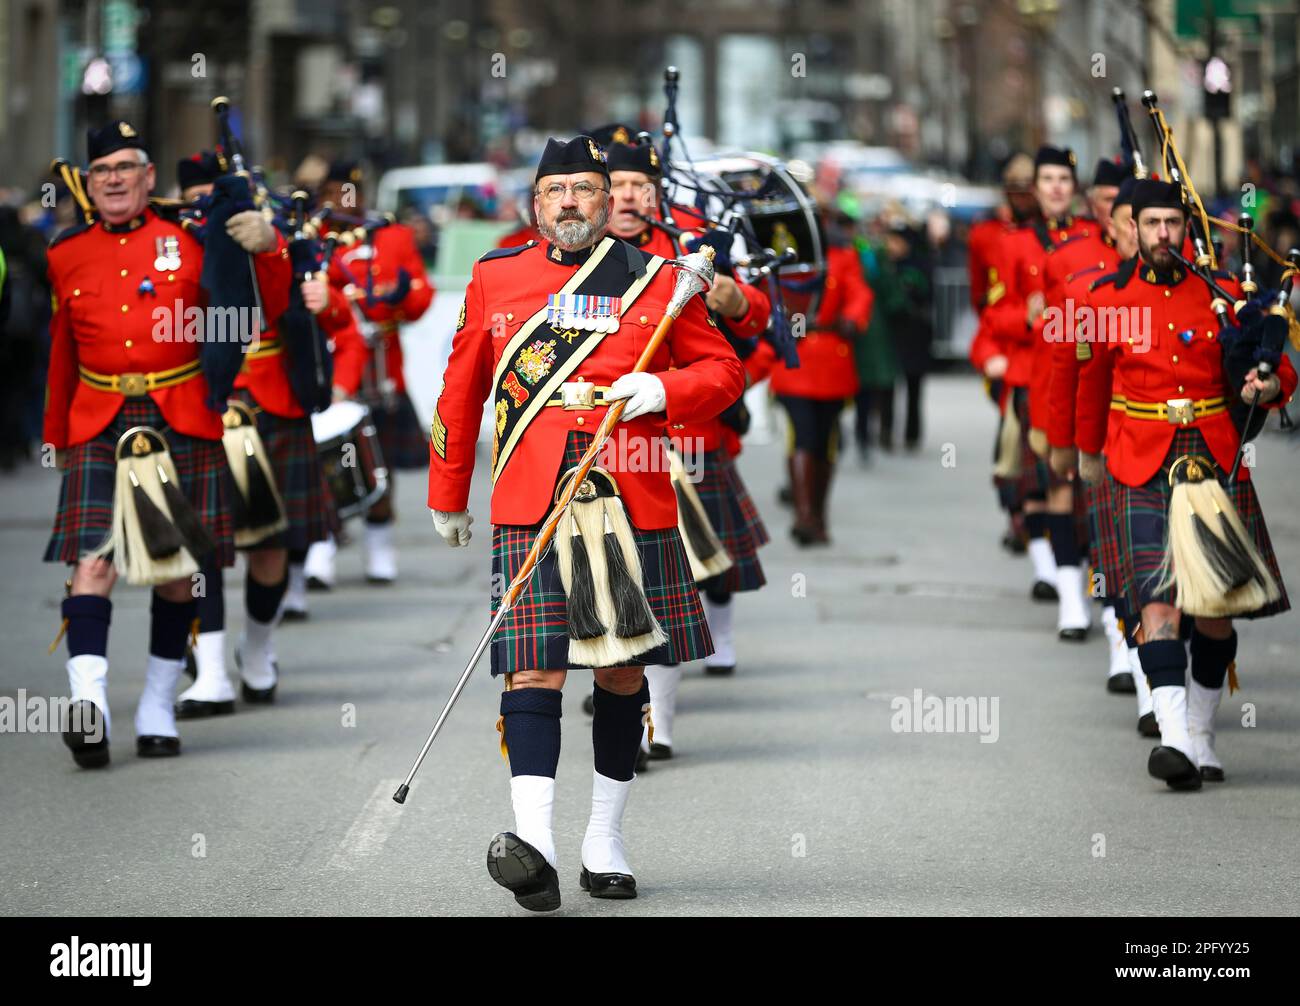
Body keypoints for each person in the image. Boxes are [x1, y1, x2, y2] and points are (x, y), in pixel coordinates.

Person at [426, 135, 743, 910]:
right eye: (555, 190)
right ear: (536, 203)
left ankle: (606, 839)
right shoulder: (495, 277)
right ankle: (534, 844)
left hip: (628, 491)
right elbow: (460, 388)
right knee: (531, 668)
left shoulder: (660, 281)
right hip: (532, 499)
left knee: (620, 672)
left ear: (608, 203)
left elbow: (724, 371)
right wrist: (447, 492)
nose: (568, 202)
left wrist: (659, 393)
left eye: (584, 189)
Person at [42, 121, 289, 766]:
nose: (115, 179)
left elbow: (257, 307)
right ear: (89, 184)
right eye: (103, 171)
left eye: (126, 167)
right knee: (91, 563)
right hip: (99, 419)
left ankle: (155, 704)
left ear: (149, 177)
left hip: (180, 413)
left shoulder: (191, 237)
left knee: (178, 575)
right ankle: (89, 704)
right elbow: (61, 356)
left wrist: (268, 249)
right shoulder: (65, 253)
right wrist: (57, 437)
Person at [1076, 179, 1295, 790]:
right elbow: (1092, 386)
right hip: (1137, 461)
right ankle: (1172, 737)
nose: (1163, 235)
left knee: (1216, 611)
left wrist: (1269, 387)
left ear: (1187, 229)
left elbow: (1269, 366)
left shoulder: (1224, 296)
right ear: (1135, 228)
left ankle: (1201, 732)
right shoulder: (1107, 299)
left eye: (1173, 224)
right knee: (1159, 601)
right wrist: (1087, 453)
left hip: (1212, 457)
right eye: (1151, 224)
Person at [600, 133, 772, 758]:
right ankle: (620, 690)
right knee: (614, 587)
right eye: (616, 186)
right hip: (600, 448)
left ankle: (656, 725)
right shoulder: (577, 257)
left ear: (657, 193)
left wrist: (730, 295)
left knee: (670, 586)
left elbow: (752, 315)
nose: (627, 196)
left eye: (640, 187)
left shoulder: (684, 252)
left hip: (681, 439)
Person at [169, 150, 339, 717]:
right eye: (197, 196)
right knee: (205, 545)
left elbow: (319, 311)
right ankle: (211, 670)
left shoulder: (279, 234)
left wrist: (272, 246)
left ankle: (257, 648)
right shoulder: (174, 239)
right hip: (203, 402)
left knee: (271, 548)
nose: (206, 206)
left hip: (272, 402)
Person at [307, 160, 434, 586]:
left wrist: (393, 301)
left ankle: (380, 549)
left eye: (351, 193)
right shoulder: (312, 237)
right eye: (334, 193)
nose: (344, 202)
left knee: (379, 464)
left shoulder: (391, 235)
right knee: (323, 463)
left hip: (380, 370)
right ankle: (321, 547)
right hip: (328, 367)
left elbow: (419, 294)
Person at [749, 205, 873, 546]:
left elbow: (860, 294)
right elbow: (764, 293)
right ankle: (806, 517)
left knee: (824, 441)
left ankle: (817, 514)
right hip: (797, 359)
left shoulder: (841, 255)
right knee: (804, 436)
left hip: (832, 358)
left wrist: (852, 318)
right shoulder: (787, 254)